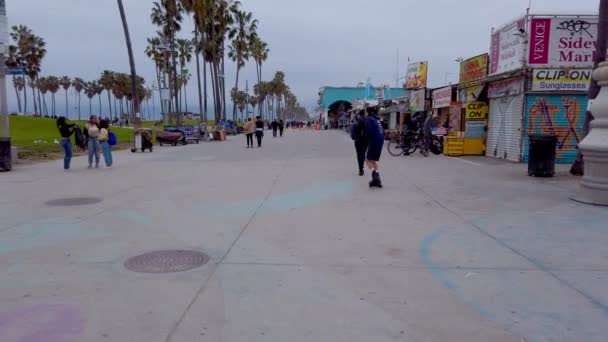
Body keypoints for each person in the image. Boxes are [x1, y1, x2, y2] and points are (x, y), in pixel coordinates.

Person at [365, 108, 385, 188]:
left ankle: (375, 177)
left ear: (369, 112)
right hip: (380, 139)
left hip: (375, 140)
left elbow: (369, 131)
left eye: (366, 111)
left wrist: (367, 140)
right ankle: (377, 179)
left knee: (367, 159)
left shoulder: (369, 119)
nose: (365, 113)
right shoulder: (377, 119)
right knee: (373, 160)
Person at [350, 110, 368, 176]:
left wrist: (355, 137)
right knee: (363, 155)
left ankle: (360, 169)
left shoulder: (356, 122)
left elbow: (352, 134)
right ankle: (362, 167)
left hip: (357, 141)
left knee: (359, 155)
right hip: (365, 141)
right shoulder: (367, 121)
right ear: (364, 114)